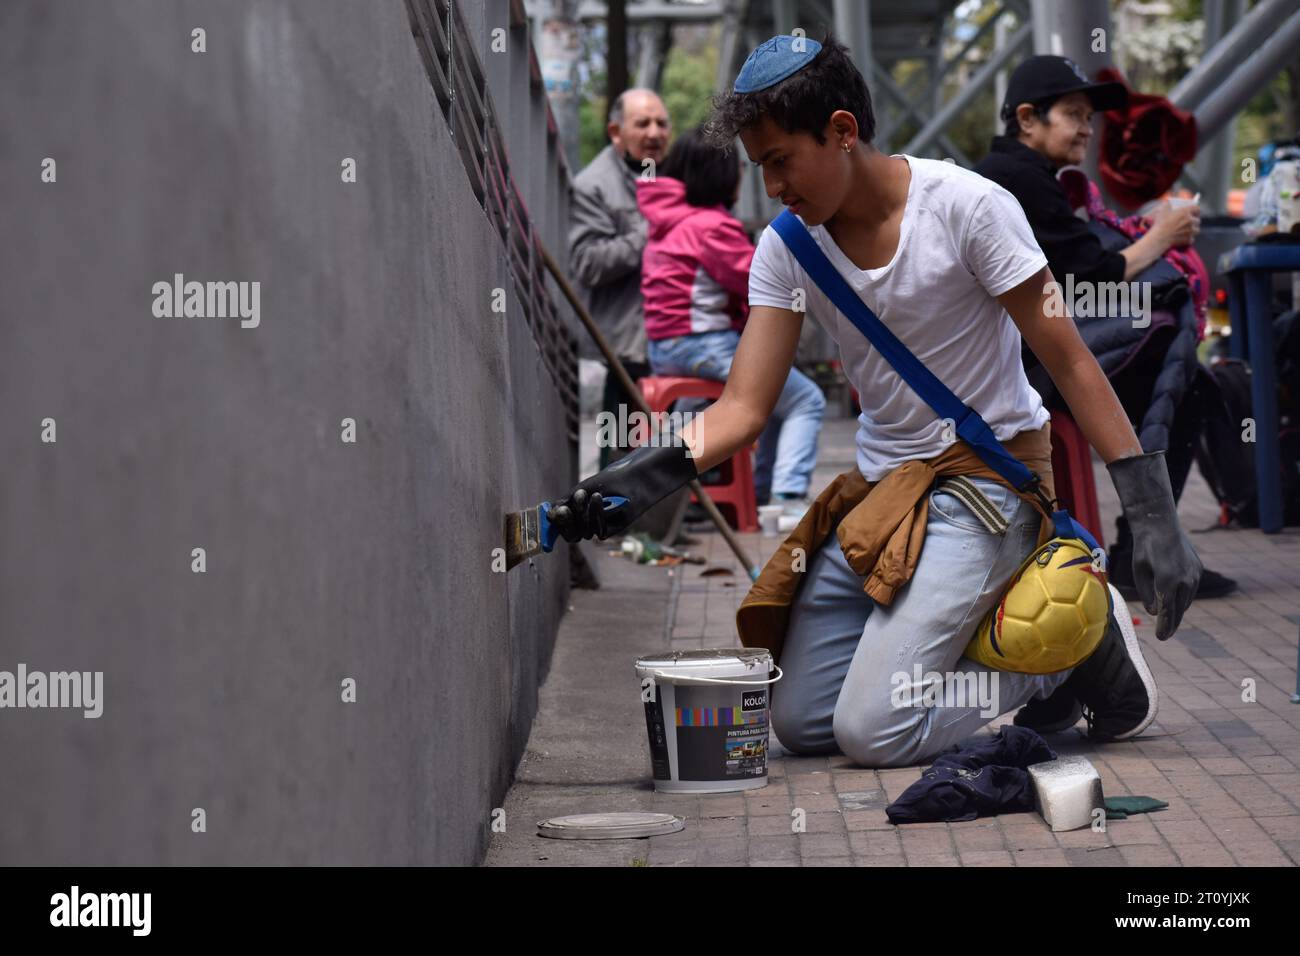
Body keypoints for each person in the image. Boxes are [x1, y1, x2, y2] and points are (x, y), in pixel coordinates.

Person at [545, 35, 1201, 767]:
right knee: (803, 722)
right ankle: (1000, 636)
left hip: (988, 487)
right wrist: (635, 479)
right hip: (883, 496)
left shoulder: (970, 208)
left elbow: (1073, 363)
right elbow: (743, 409)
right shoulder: (788, 246)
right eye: (761, 169)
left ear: (843, 131)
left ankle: (1067, 646)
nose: (772, 189)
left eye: (780, 161)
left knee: (874, 732)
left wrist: (1151, 514)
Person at [973, 55, 1236, 599]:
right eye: (1073, 115)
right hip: (1024, 371)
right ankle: (1143, 547)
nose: (1087, 130)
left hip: (1021, 359)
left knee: (1178, 375)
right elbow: (1091, 273)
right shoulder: (1017, 179)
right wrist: (1162, 235)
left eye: (1089, 118)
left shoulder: (1022, 176)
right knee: (1187, 386)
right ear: (1027, 119)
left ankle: (1139, 544)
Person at [636, 126, 825, 515]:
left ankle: (658, 498)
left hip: (664, 347)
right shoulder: (711, 226)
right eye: (743, 166)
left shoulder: (668, 221)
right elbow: (754, 278)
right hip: (704, 344)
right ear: (720, 174)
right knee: (805, 398)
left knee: (711, 421)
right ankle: (788, 500)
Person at [568, 88, 671, 469]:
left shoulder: (662, 175)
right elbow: (587, 262)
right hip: (617, 348)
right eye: (642, 123)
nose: (655, 133)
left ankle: (659, 520)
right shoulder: (593, 186)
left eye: (661, 123)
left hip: (662, 341)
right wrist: (650, 233)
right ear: (615, 132)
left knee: (660, 445)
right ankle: (612, 524)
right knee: (617, 452)